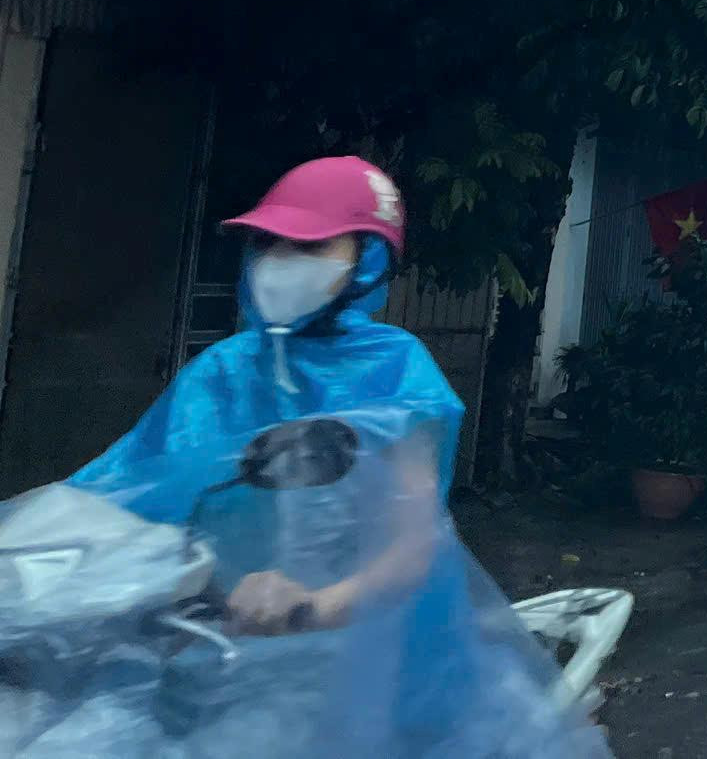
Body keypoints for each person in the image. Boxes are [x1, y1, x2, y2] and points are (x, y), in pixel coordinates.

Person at [49, 155, 606, 756]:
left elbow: (416, 546)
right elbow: (125, 490)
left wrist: (310, 606)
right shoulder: (220, 372)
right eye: (270, 243)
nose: (281, 263)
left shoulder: (396, 371)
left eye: (309, 246)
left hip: (373, 669)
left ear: (367, 259)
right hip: (222, 656)